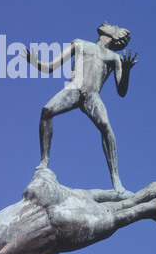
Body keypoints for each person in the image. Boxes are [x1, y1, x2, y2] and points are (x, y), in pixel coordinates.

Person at [22, 22, 138, 195]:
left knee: (106, 127)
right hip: (74, 89)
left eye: (111, 25)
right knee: (47, 110)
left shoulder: (114, 58)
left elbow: (121, 91)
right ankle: (44, 161)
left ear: (116, 36)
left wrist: (127, 71)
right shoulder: (79, 43)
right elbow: (51, 66)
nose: (106, 23)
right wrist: (35, 62)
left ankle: (116, 179)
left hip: (92, 96)